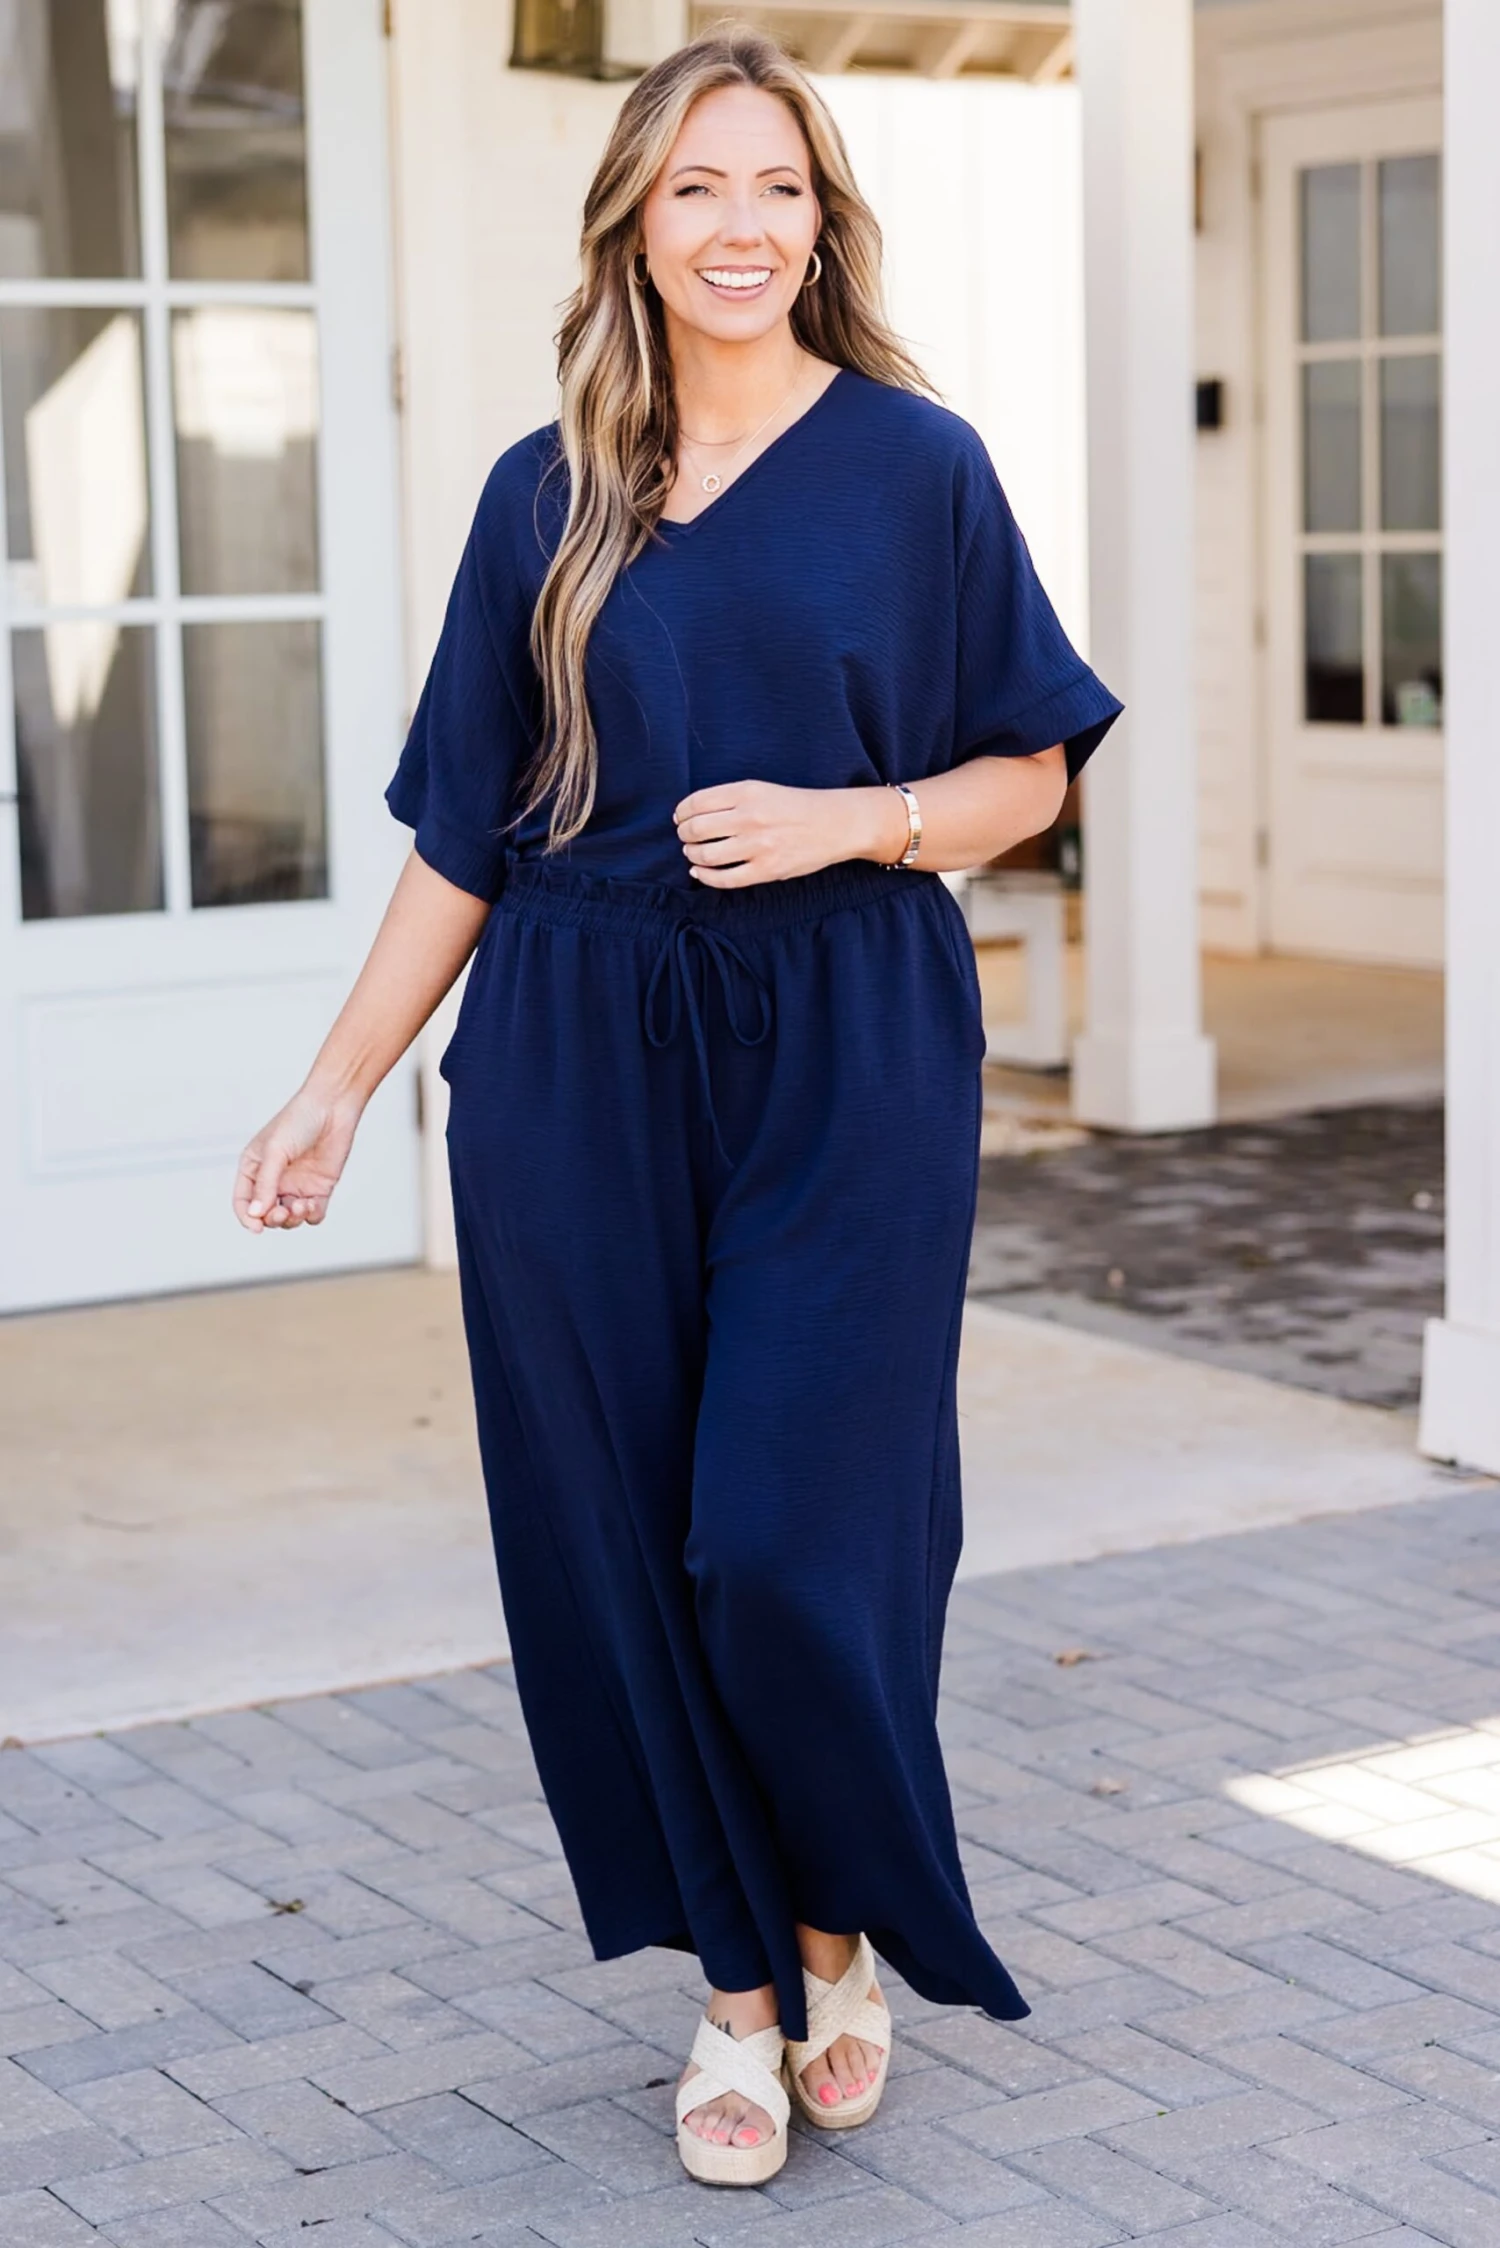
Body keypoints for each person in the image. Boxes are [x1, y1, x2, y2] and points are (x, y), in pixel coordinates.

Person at [233, 23, 1122, 2190]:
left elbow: (1033, 768)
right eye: (701, 186)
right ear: (634, 220)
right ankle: (740, 1991)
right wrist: (337, 1087)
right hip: (572, 1047)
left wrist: (855, 819)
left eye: (780, 188)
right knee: (624, 1537)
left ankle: (835, 1931)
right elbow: (464, 835)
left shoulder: (916, 465)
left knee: (797, 1537)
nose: (743, 227)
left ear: (824, 224)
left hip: (848, 1039)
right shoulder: (541, 495)